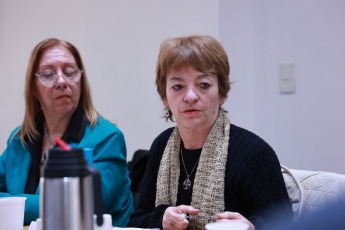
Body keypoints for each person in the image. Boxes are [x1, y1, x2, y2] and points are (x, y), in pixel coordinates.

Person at [128, 35, 293, 230]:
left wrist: (252, 227)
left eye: (203, 85)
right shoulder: (161, 146)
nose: (190, 97)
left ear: (222, 94)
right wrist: (161, 218)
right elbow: (136, 221)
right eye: (178, 87)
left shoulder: (254, 153)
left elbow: (286, 225)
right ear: (165, 97)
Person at [0, 38, 133, 226]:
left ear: (81, 81)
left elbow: (80, 207)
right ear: (33, 89)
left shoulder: (107, 138)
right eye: (48, 74)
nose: (61, 81)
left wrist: (14, 203)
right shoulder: (19, 139)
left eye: (70, 72)